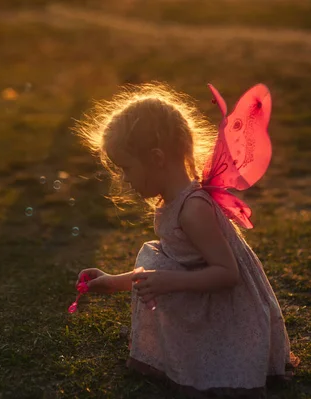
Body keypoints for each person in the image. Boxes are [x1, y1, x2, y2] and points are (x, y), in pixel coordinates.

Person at [73, 82, 299, 398]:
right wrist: (110, 282)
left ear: (157, 157)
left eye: (126, 168)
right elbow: (165, 266)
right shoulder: (170, 203)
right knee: (153, 255)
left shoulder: (192, 209)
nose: (124, 180)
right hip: (201, 295)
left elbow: (227, 274)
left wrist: (169, 282)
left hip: (228, 313)